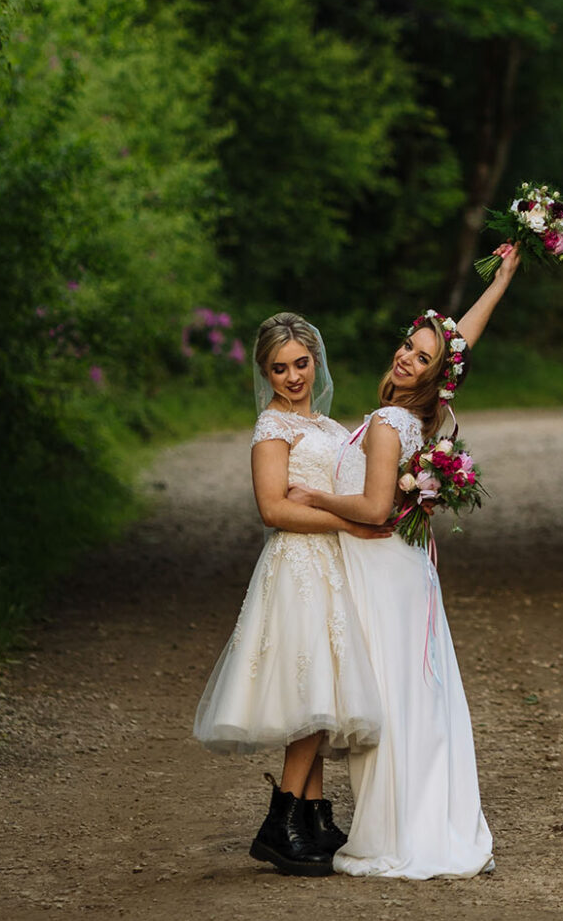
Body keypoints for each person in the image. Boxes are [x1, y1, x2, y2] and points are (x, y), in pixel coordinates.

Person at [289, 244, 521, 878]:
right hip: (405, 571)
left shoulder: (393, 421)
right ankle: (423, 814)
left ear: (432, 374)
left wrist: (313, 498)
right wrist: (499, 283)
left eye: (422, 357)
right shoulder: (433, 413)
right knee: (418, 691)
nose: (407, 356)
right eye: (408, 346)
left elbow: (371, 508)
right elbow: (458, 342)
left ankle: (398, 827)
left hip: (381, 567)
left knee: (389, 694)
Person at [192, 312, 389, 875]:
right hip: (299, 564)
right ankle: (279, 823)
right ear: (265, 373)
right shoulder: (272, 429)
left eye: (301, 363)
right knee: (315, 692)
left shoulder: (327, 427)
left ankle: (313, 818)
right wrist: (345, 525)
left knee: (321, 691)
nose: (293, 376)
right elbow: (273, 509)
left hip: (331, 563)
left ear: (316, 360)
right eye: (279, 368)